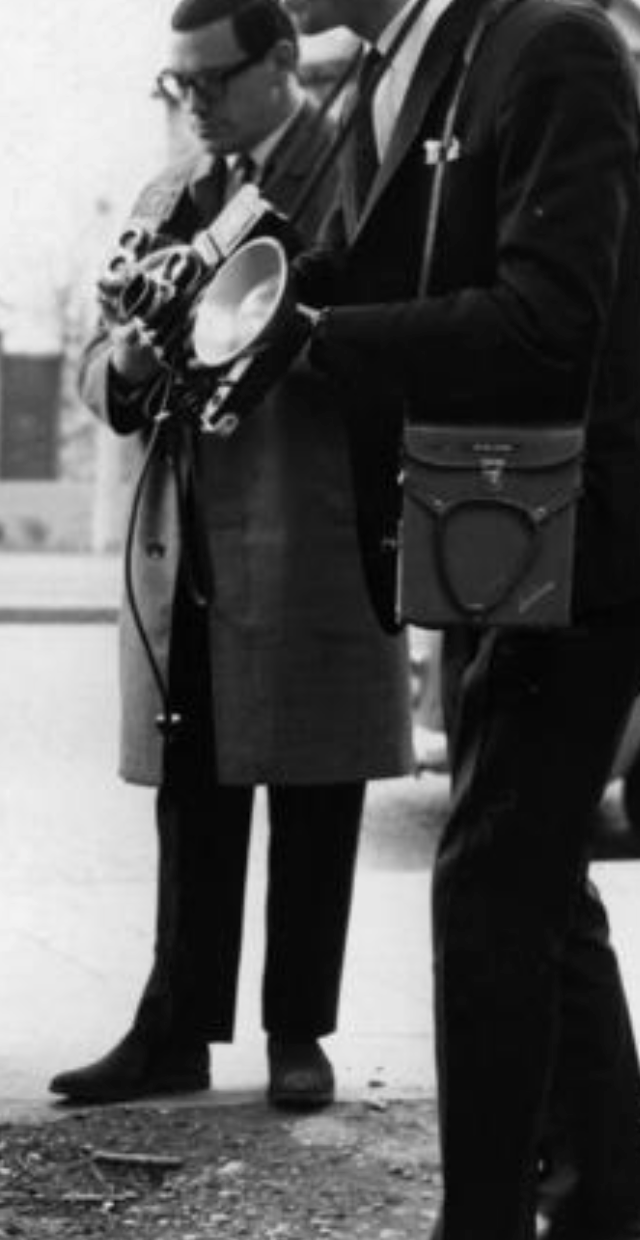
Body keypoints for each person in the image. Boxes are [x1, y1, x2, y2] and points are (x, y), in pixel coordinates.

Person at [280, 0, 640, 1235]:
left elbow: (548, 323)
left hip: (573, 544)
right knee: (530, 883)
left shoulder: (551, 44)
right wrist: (252, 298)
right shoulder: (420, 62)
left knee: (492, 885)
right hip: (497, 537)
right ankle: (602, 1203)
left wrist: (318, 338)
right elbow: (386, 265)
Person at [52, 0, 414, 1111]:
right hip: (189, 531)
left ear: (279, 62)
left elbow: (388, 320)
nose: (194, 105)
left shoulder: (352, 163)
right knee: (190, 783)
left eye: (212, 81)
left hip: (308, 515)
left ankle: (297, 1032)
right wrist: (127, 351)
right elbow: (97, 371)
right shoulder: (169, 192)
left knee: (316, 782)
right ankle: (175, 1028)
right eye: (179, 86)